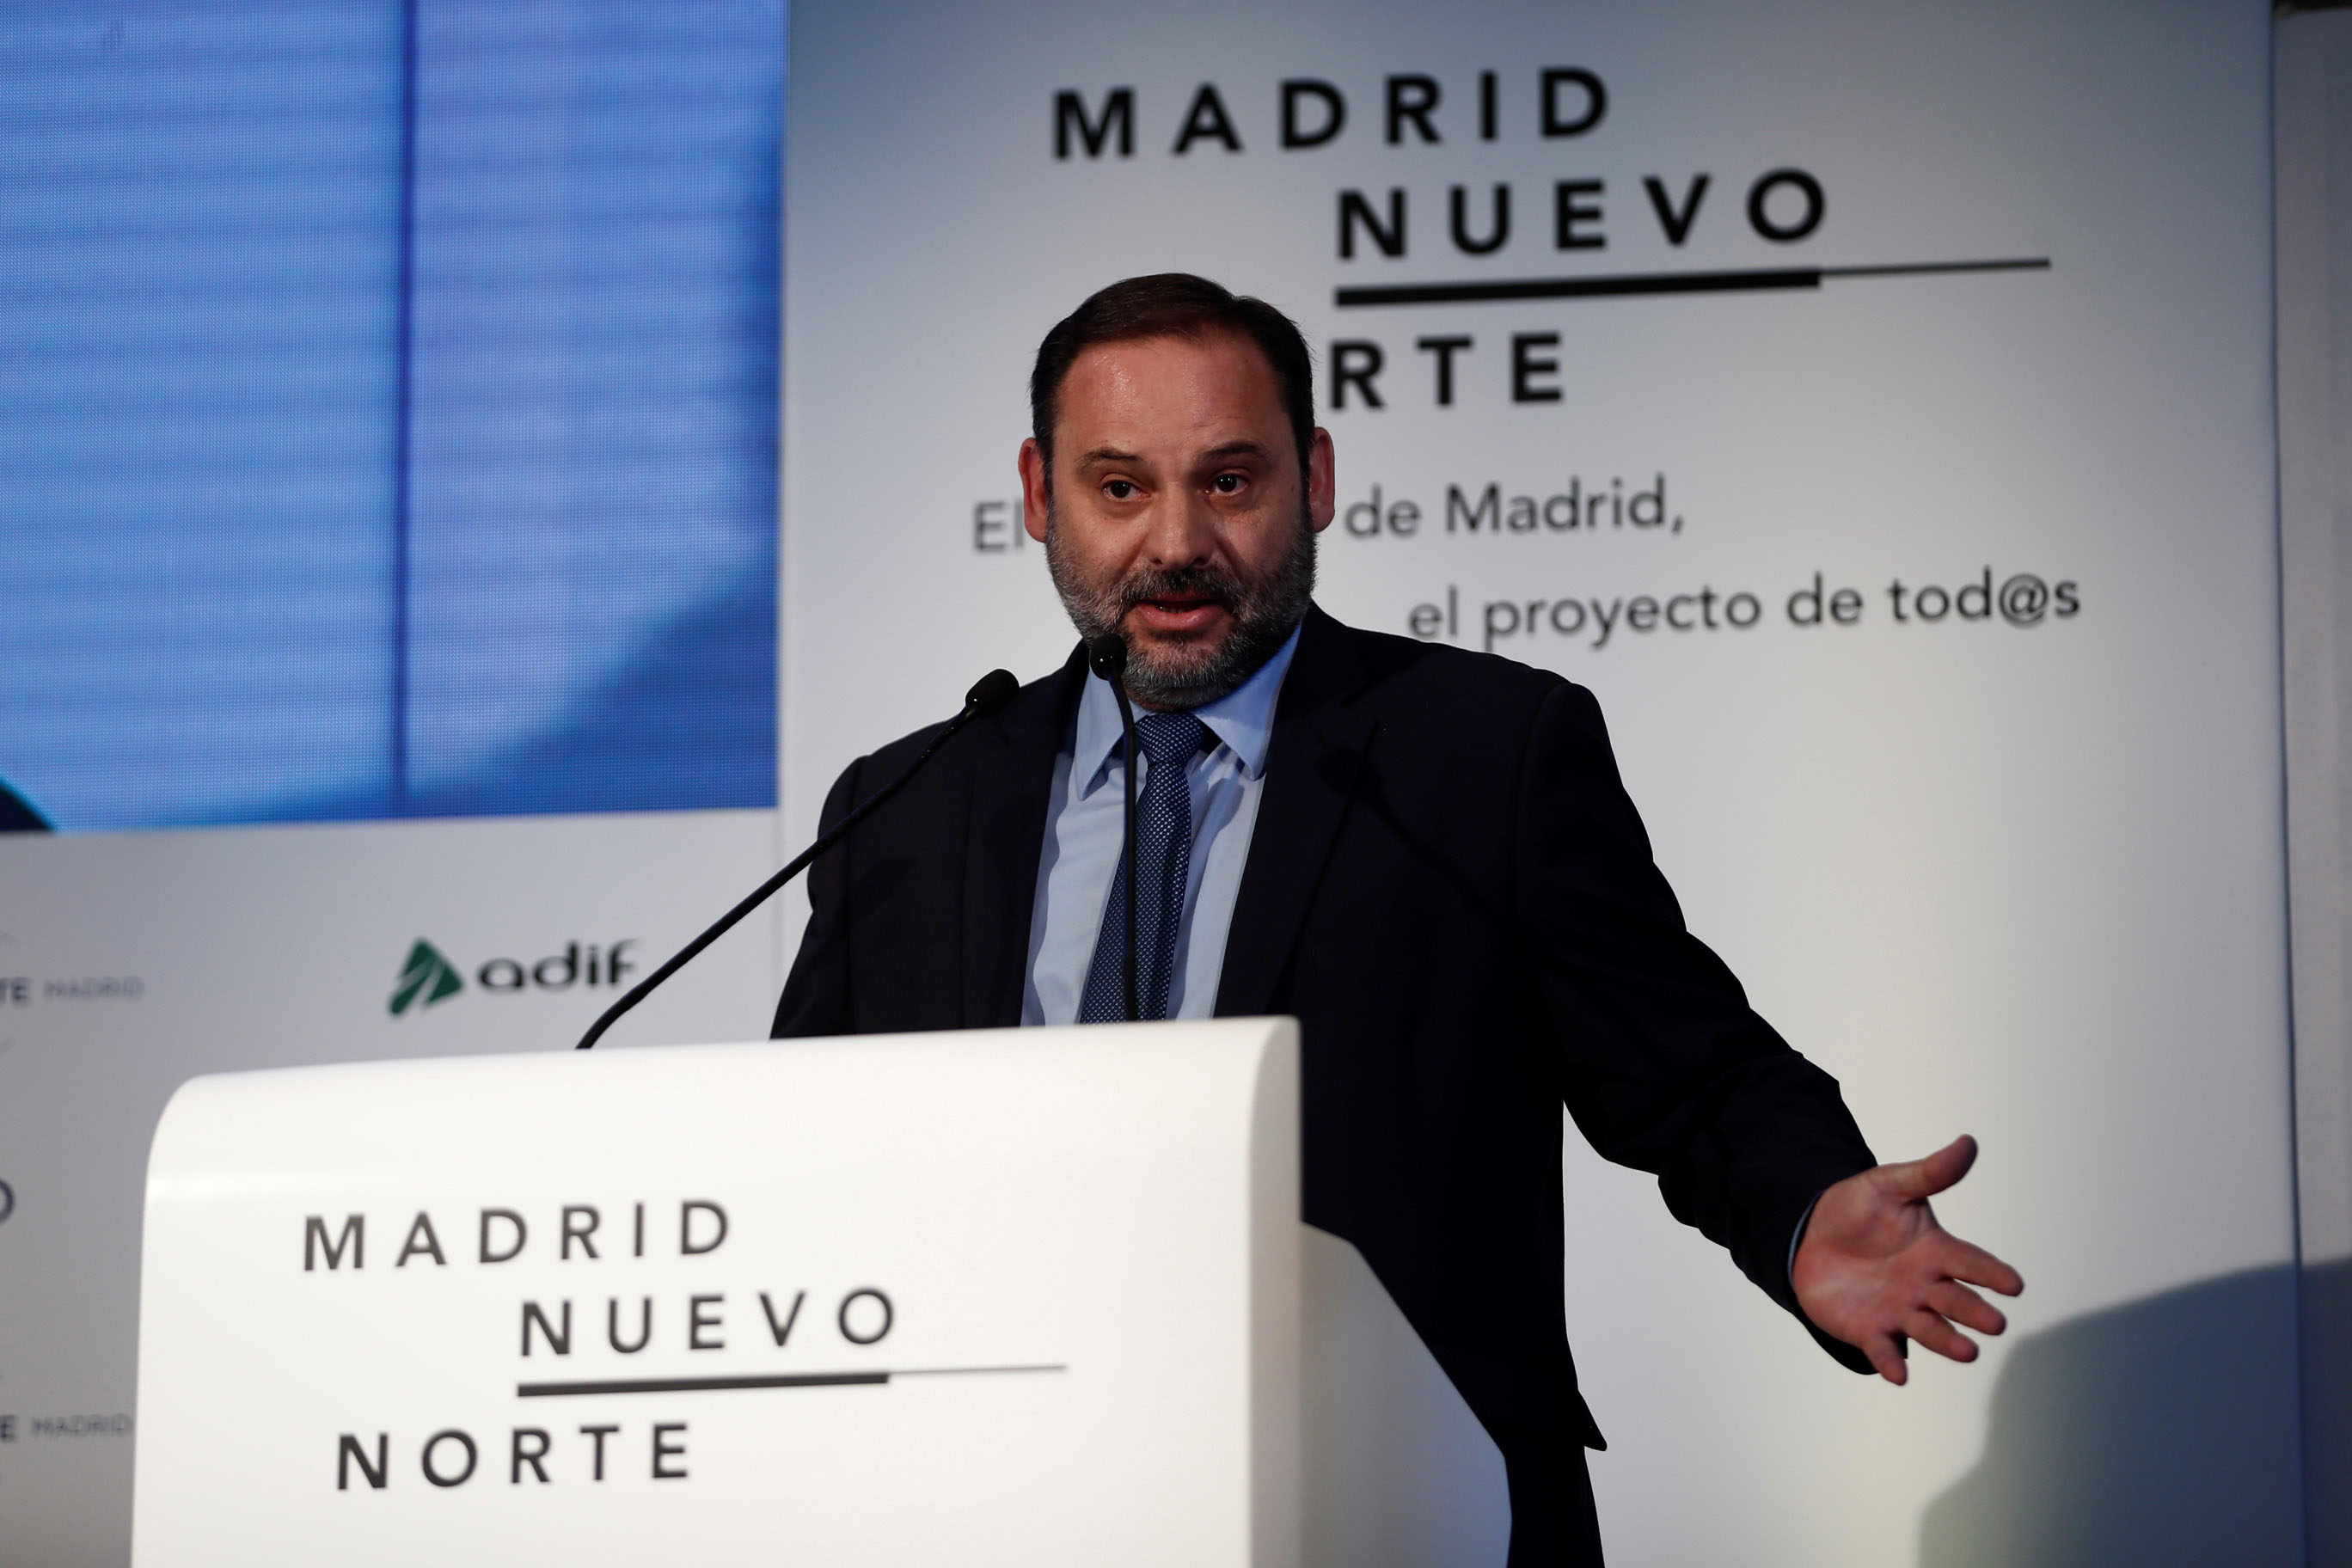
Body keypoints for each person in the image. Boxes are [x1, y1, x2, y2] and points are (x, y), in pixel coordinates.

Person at [775, 273, 2022, 1565]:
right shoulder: (908, 807)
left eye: (1232, 479)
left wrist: (1805, 1203)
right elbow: (800, 1165)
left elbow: (1687, 1069)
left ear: (1315, 479)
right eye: (1121, 487)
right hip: (996, 1507)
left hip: (1407, 1502)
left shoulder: (1482, 754)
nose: (1177, 541)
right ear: (1041, 495)